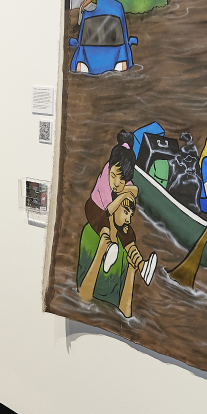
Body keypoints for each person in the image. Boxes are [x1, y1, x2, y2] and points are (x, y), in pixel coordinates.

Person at [84, 130, 156, 282]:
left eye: (122, 180)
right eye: (114, 176)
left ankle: (143, 267)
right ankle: (108, 248)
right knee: (103, 223)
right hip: (95, 207)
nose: (117, 183)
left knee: (128, 233)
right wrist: (123, 194)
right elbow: (108, 210)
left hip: (113, 212)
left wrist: (126, 191)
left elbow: (135, 191)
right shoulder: (106, 175)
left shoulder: (123, 176)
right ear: (109, 169)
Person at [77, 194, 141, 317]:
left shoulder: (124, 248)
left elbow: (125, 314)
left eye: (130, 215)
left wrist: (131, 270)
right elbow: (83, 297)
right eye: (125, 212)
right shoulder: (90, 234)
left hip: (112, 318)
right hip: (88, 314)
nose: (129, 220)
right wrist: (101, 251)